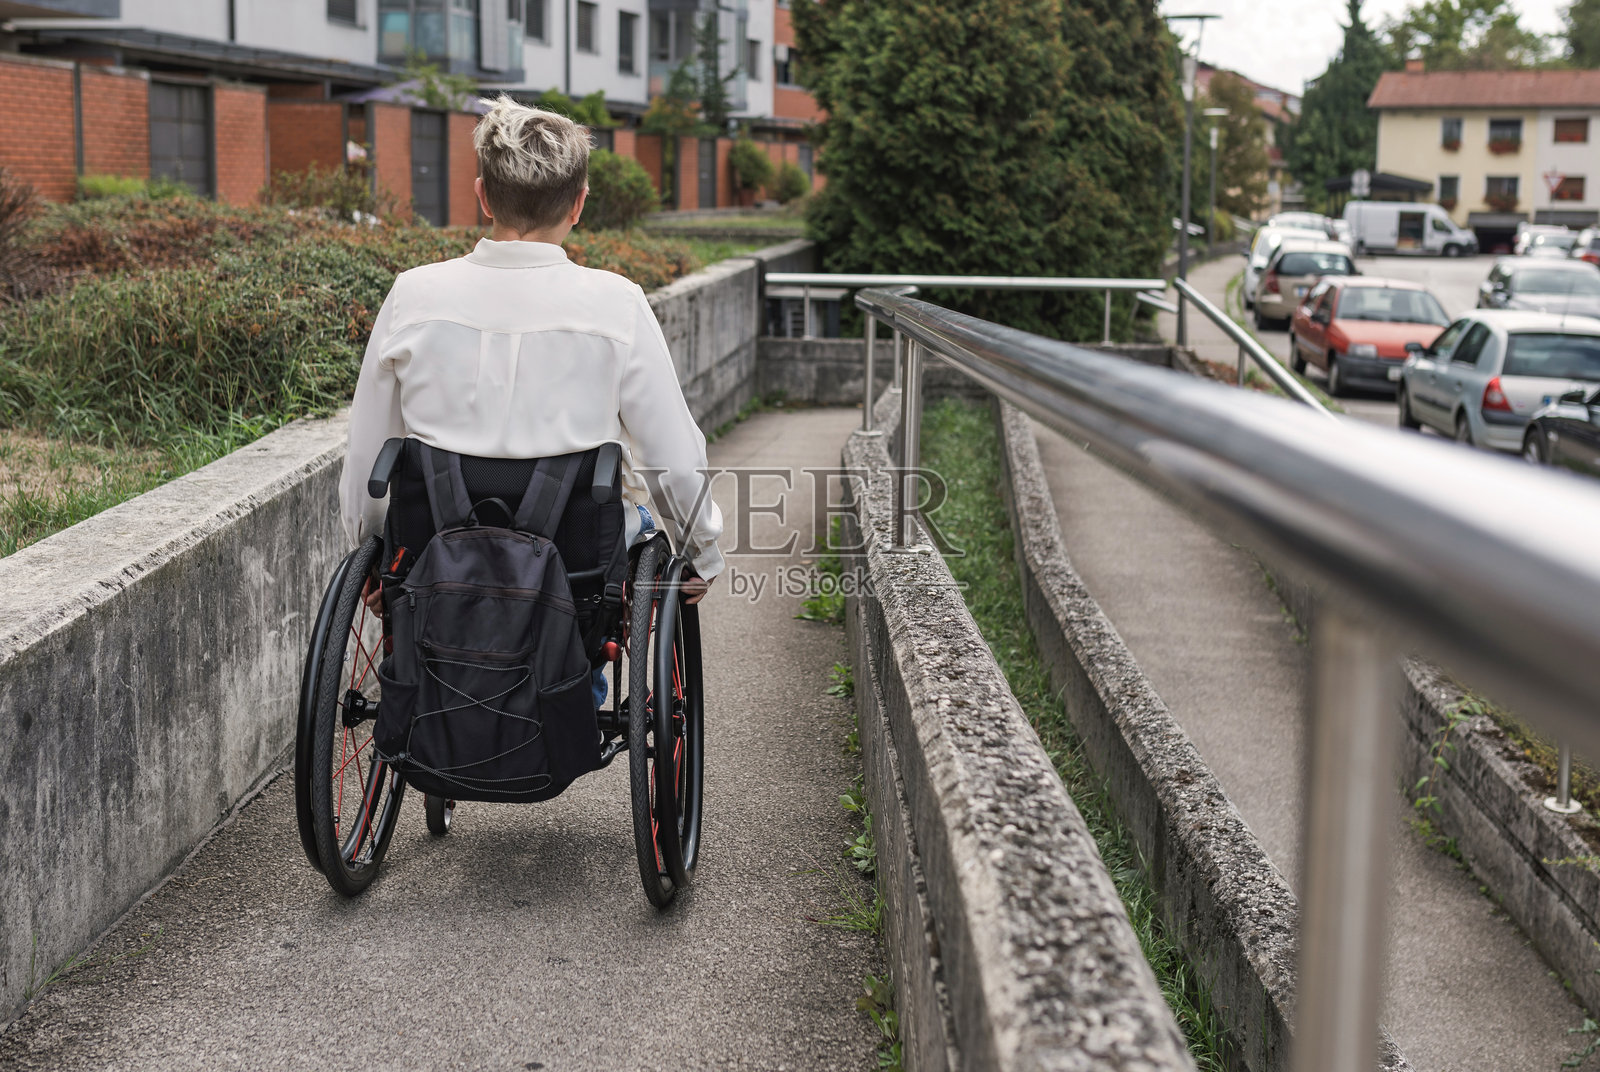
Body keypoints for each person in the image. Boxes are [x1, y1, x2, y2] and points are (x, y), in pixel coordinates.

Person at [339, 96, 724, 700]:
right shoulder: (617, 304)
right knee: (646, 523)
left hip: (434, 564)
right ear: (579, 203)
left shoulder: (412, 296)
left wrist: (375, 550)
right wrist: (699, 551)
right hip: (574, 569)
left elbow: (370, 453)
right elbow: (673, 457)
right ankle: (575, 681)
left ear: (483, 196)